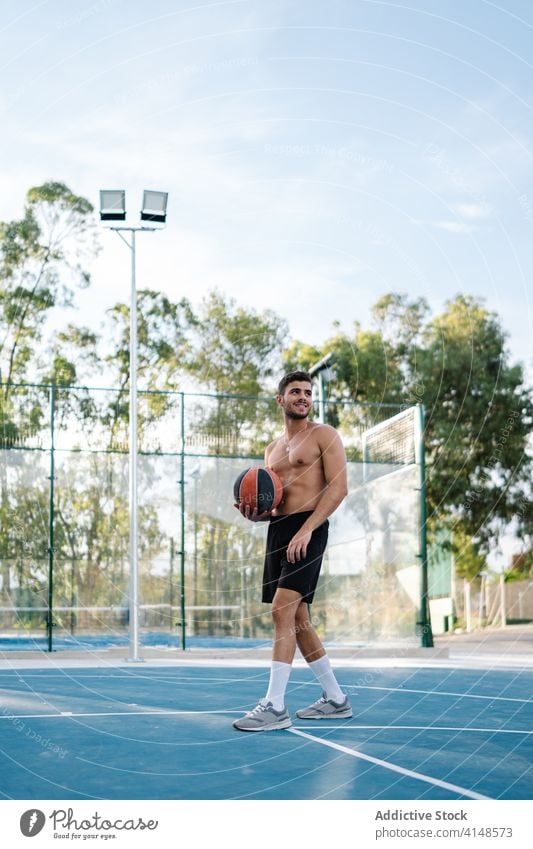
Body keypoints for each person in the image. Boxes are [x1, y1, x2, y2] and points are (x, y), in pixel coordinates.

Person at [233, 370, 352, 731]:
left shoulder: (324, 436)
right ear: (280, 400)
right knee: (298, 620)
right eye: (295, 391)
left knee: (282, 612)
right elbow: (274, 501)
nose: (303, 397)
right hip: (279, 530)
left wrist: (307, 530)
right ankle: (336, 699)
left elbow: (339, 488)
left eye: (307, 392)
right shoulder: (271, 450)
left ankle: (274, 706)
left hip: (309, 529)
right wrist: (257, 514)